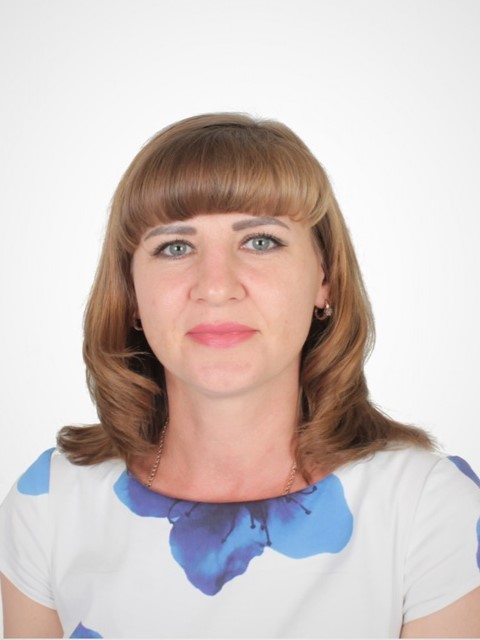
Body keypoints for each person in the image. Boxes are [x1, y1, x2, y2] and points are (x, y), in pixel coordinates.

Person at [0, 113, 479, 639]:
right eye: (175, 247)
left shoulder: (427, 510)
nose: (215, 286)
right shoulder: (51, 507)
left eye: (261, 241)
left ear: (325, 279)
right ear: (131, 294)